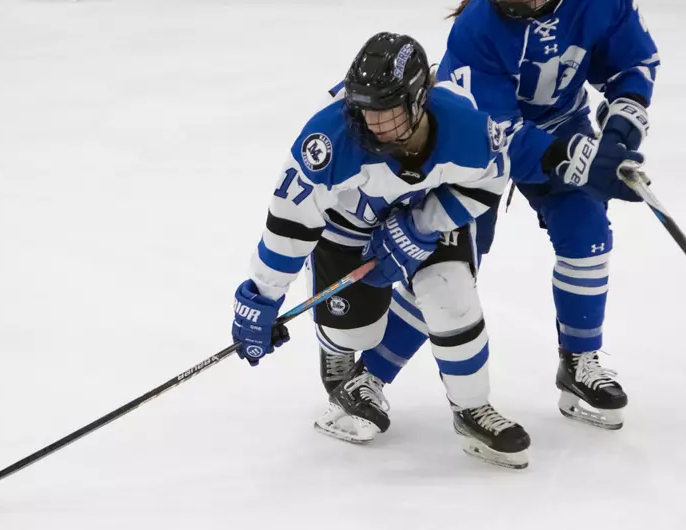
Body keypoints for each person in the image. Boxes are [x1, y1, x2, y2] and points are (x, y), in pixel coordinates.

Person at [231, 31, 644, 468]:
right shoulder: (327, 141)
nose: (371, 123)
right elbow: (290, 224)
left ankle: (472, 409)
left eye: (386, 110)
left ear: (417, 101)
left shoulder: (464, 126)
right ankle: (337, 349)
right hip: (348, 225)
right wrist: (262, 298)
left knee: (451, 291)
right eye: (364, 109)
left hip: (423, 212)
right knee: (355, 333)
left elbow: (487, 183)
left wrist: (421, 225)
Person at [320, 0, 659, 435]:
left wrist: (617, 136)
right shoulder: (477, 28)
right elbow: (498, 138)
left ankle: (579, 361)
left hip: (563, 126)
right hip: (472, 153)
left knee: (588, 234)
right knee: (449, 269)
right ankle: (368, 376)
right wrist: (578, 160)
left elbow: (633, 62)